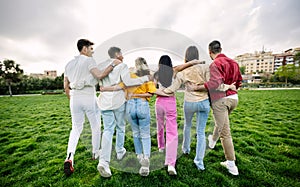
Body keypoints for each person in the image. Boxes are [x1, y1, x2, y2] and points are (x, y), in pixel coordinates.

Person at [163, 46, 235, 171]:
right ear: (197, 55)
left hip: (189, 103)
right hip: (203, 103)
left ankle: (186, 149)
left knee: (187, 125)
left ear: (186, 56)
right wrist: (228, 86)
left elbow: (173, 87)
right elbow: (214, 84)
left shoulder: (183, 71)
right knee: (201, 133)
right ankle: (199, 162)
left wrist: (160, 91)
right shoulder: (206, 67)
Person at [63, 39, 121, 176]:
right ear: (84, 49)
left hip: (74, 97)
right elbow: (100, 75)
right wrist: (113, 63)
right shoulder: (88, 61)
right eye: (91, 49)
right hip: (88, 96)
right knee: (95, 126)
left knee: (76, 128)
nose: (92, 52)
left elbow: (66, 86)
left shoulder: (68, 64)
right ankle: (95, 152)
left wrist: (73, 100)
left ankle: (69, 157)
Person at [187, 40, 242, 175]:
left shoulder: (215, 64)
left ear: (210, 52)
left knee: (225, 133)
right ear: (221, 49)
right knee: (221, 123)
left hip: (221, 100)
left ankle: (231, 164)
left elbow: (214, 84)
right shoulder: (234, 63)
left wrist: (197, 87)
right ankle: (212, 141)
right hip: (234, 99)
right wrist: (233, 88)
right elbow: (239, 81)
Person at [96, 47, 151, 178]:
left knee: (108, 129)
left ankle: (104, 162)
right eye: (121, 53)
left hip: (104, 101)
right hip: (118, 101)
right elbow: (128, 82)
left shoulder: (101, 65)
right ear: (117, 54)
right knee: (120, 126)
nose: (123, 56)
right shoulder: (122, 66)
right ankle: (120, 151)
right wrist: (144, 79)